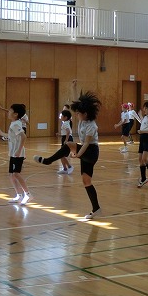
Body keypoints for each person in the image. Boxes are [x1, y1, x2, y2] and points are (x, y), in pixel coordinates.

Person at [34, 80, 103, 220]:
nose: (76, 115)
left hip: (91, 151)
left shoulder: (92, 126)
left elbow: (86, 144)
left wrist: (77, 154)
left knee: (69, 144)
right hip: (86, 152)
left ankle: (48, 161)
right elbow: (77, 102)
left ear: (85, 114)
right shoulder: (83, 120)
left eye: (78, 113)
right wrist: (73, 88)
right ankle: (96, 209)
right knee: (86, 181)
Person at [0, 104, 33, 205]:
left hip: (18, 154)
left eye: (10, 111)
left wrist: (19, 151)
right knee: (11, 175)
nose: (8, 112)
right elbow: (10, 136)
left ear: (15, 114)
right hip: (13, 153)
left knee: (16, 174)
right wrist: (1, 133)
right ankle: (19, 195)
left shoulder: (16, 124)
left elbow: (23, 137)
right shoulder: (14, 123)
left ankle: (28, 194)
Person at [57, 109, 74, 175]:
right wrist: (60, 134)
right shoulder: (66, 123)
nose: (61, 117)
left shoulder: (65, 123)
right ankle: (65, 169)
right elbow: (66, 132)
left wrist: (66, 140)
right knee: (61, 155)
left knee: (62, 155)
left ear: (65, 117)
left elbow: (68, 132)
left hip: (68, 139)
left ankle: (69, 167)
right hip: (65, 138)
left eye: (62, 116)